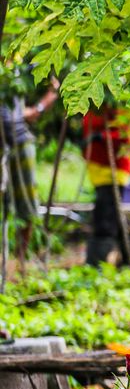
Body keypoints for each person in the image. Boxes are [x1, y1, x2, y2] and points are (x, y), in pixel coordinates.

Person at [1, 78, 59, 264]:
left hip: (19, 141)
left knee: (26, 205)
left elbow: (53, 87)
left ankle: (20, 261)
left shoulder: (20, 66)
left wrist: (39, 108)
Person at [81, 105, 130, 266]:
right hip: (99, 170)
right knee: (113, 217)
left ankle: (96, 265)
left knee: (105, 220)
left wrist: (100, 137)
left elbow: (123, 132)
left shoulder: (116, 101)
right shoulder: (93, 101)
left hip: (113, 169)